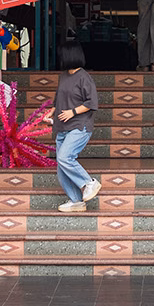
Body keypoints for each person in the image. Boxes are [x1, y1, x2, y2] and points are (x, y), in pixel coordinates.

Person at [52, 44, 101, 212]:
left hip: (79, 126)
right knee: (61, 167)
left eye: (62, 55)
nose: (60, 58)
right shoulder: (63, 76)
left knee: (65, 157)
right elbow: (58, 99)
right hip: (62, 127)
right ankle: (76, 201)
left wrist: (72, 112)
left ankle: (89, 182)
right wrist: (50, 112)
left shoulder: (84, 77)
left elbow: (91, 103)